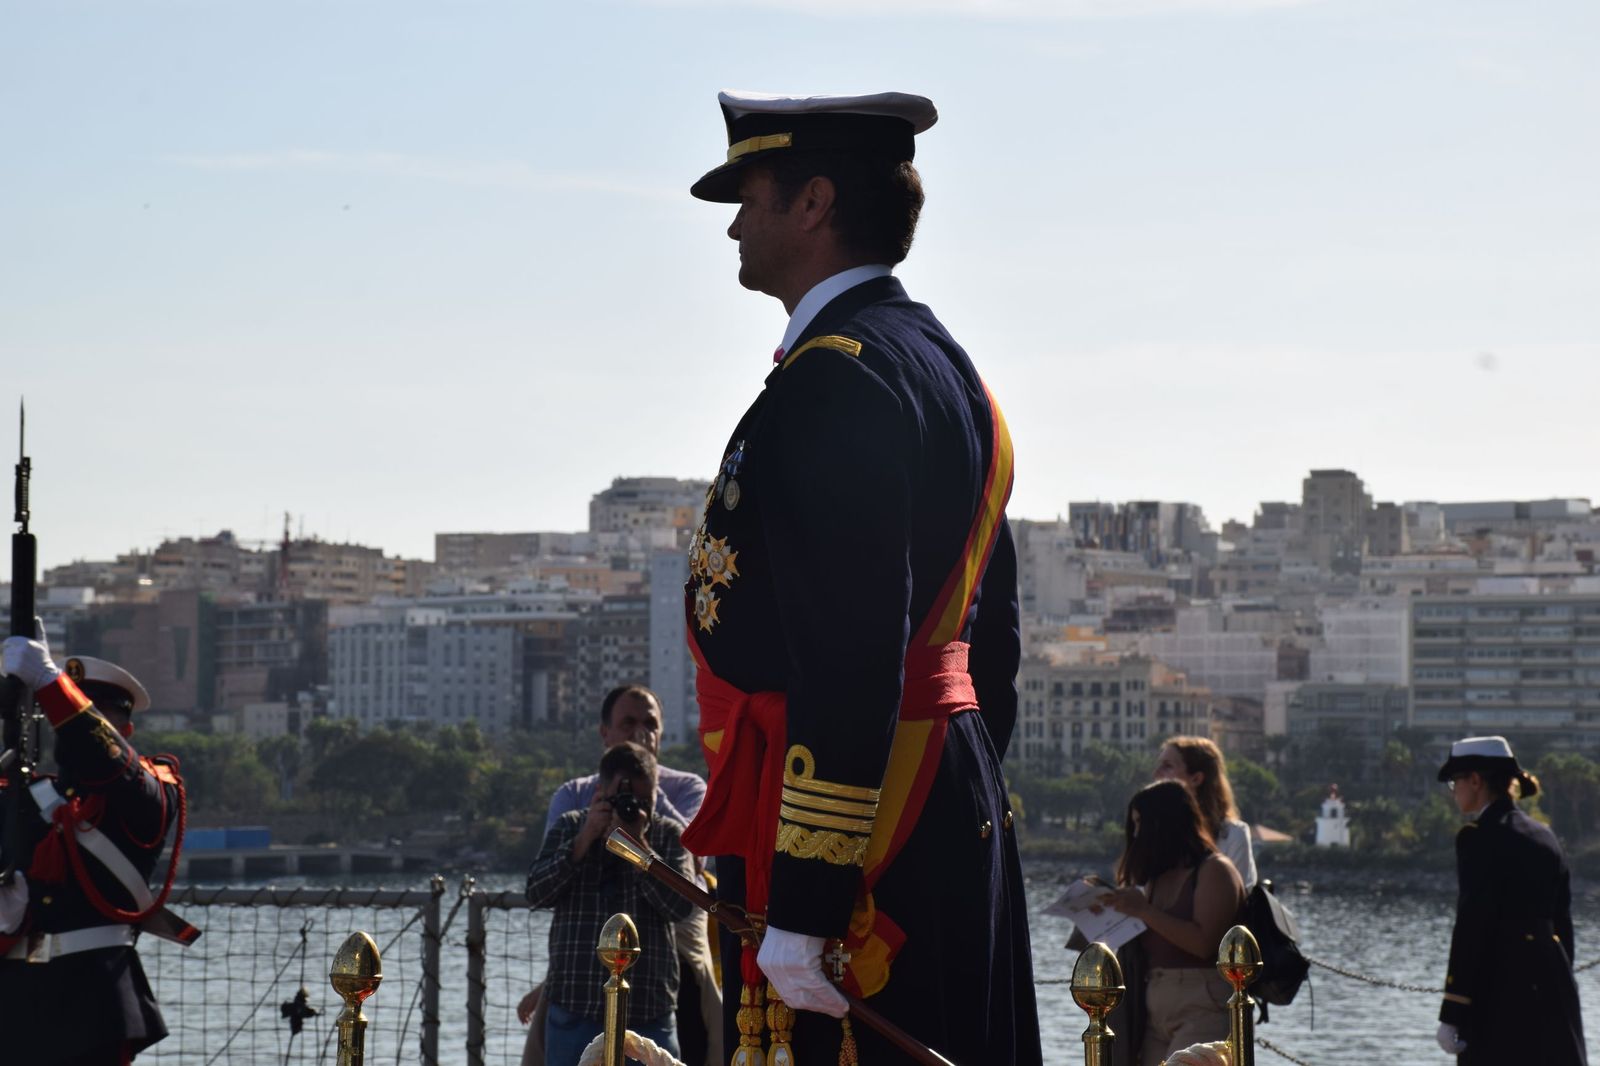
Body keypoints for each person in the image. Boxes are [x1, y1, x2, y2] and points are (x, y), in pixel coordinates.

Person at [681, 90, 1040, 1066]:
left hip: (857, 827)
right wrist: (959, 781)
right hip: (939, 785)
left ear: (813, 203)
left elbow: (849, 646)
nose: (732, 223)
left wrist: (807, 900)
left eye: (748, 194)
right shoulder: (953, 373)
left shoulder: (835, 378)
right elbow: (988, 636)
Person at [0, 634, 184, 1064]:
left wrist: (49, 681)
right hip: (16, 1000)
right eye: (66, 711)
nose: (72, 724)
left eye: (91, 713)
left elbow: (110, 763)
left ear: (125, 729)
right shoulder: (25, 795)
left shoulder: (152, 789)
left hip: (94, 1001)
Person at [520, 686, 719, 1066]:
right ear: (604, 731)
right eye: (628, 723)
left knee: (711, 1024)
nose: (640, 732)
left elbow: (684, 895)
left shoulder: (677, 809)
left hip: (653, 997)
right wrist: (584, 840)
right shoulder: (572, 810)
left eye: (650, 725)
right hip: (576, 992)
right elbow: (538, 892)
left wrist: (640, 829)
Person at [1434, 736, 1587, 1064]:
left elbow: (1473, 924)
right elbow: (1564, 924)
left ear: (1475, 780)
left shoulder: (1480, 838)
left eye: (1455, 782)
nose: (1454, 791)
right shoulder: (1545, 836)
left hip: (1500, 990)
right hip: (1554, 986)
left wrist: (1453, 1010)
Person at [1101, 780, 1245, 1066]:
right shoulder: (1158, 877)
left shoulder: (1215, 870)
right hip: (1153, 1006)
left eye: (1142, 823)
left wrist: (1144, 910)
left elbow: (1204, 944)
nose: (1137, 833)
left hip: (1201, 1001)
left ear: (1164, 823)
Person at [1153, 736, 1256, 890]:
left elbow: (1235, 907)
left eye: (1167, 766)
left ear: (1196, 779)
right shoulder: (1155, 832)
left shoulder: (1232, 836)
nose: (1156, 774)